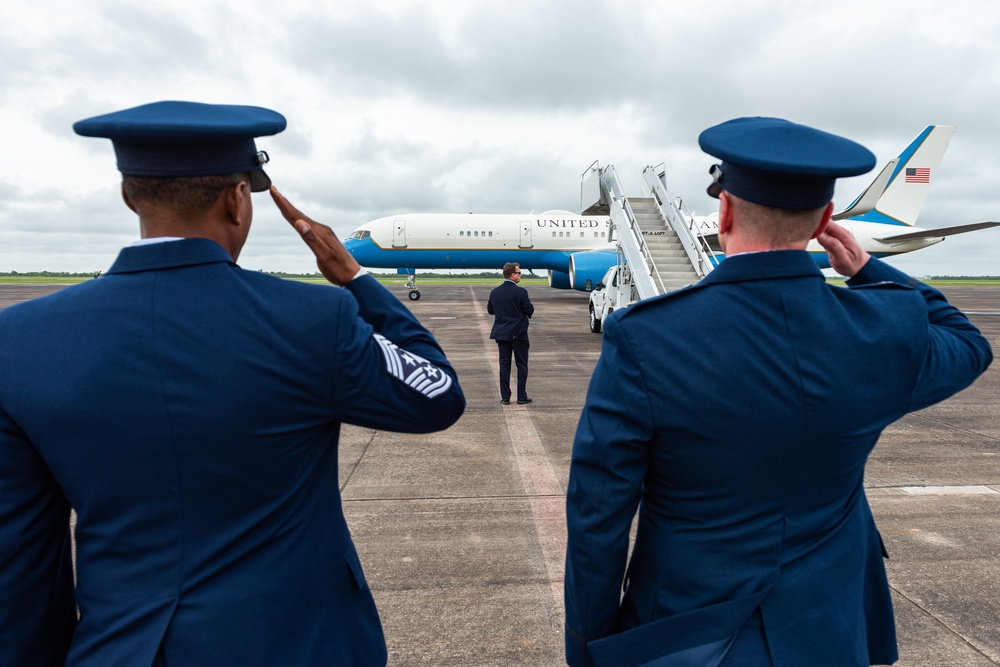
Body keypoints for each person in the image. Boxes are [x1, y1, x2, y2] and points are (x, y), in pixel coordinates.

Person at [0, 101, 466, 666]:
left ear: (129, 196)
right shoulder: (313, 318)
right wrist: (358, 281)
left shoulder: (17, 339)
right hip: (303, 647)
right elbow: (437, 395)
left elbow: (18, 560)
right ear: (237, 200)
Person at [563, 117, 993, 667]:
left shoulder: (647, 336)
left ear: (724, 213)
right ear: (826, 220)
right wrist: (868, 273)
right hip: (831, 632)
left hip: (686, 636)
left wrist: (589, 650)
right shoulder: (883, 329)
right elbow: (968, 344)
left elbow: (598, 518)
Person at [487, 262, 534, 405]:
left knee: (504, 365)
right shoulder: (521, 292)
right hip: (518, 334)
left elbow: (490, 310)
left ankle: (505, 397)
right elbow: (529, 310)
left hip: (502, 334)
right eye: (519, 273)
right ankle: (521, 396)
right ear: (513, 275)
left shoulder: (495, 292)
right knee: (522, 365)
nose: (520, 275)